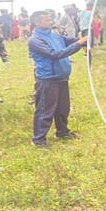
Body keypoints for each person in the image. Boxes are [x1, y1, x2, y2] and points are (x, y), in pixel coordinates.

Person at [28, 11, 88, 148]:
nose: (50, 20)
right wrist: (79, 44)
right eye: (46, 19)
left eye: (50, 18)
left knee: (62, 108)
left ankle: (62, 132)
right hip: (48, 79)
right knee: (45, 110)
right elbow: (54, 54)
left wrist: (86, 39)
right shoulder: (36, 40)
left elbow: (69, 41)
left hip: (62, 77)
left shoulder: (54, 35)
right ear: (37, 22)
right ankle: (38, 139)